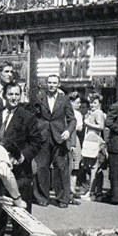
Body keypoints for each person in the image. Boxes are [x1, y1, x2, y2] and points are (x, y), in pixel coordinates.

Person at [0, 82, 44, 236]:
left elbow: (36, 142)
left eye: (16, 94)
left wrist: (22, 157)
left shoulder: (27, 117)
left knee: (20, 211)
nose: (13, 98)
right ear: (4, 95)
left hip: (20, 173)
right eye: (10, 94)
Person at [33, 75, 77, 208]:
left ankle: (63, 199)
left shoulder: (64, 100)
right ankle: (42, 197)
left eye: (54, 83)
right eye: (49, 83)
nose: (52, 85)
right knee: (41, 167)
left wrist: (68, 131)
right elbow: (33, 116)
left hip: (60, 137)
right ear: (46, 84)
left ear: (59, 84)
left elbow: (72, 119)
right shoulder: (39, 97)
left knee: (61, 168)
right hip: (43, 137)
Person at [82, 93, 107, 201]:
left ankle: (92, 192)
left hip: (95, 142)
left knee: (94, 168)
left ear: (99, 103)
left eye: (95, 102)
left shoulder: (99, 112)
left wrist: (88, 123)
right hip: (90, 141)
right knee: (94, 168)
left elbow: (101, 127)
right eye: (91, 102)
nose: (92, 105)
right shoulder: (92, 112)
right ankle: (98, 192)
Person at [68, 91, 84, 200]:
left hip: (74, 138)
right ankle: (69, 187)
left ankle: (72, 187)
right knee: (72, 164)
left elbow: (80, 128)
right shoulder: (74, 113)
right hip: (71, 138)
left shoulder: (78, 114)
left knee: (75, 164)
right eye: (77, 103)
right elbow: (79, 127)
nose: (79, 105)